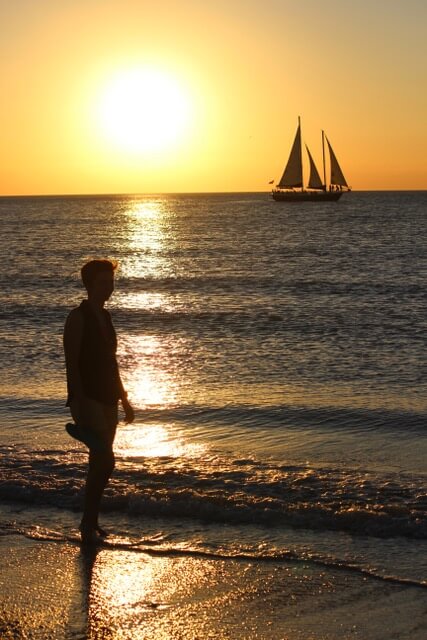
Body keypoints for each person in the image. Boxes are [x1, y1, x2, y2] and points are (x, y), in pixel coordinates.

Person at [63, 259, 134, 543]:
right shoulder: (77, 318)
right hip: (89, 398)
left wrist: (124, 398)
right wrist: (78, 401)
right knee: (106, 461)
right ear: (90, 285)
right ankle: (87, 522)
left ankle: (89, 522)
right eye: (104, 282)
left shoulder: (106, 317)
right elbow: (72, 363)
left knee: (99, 464)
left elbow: (111, 362)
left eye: (111, 282)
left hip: (108, 398)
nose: (110, 287)